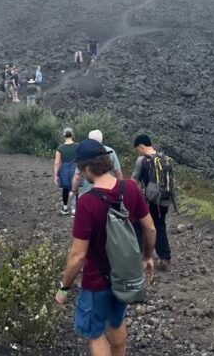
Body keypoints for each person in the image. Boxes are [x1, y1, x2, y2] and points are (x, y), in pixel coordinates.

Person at [55, 139, 155, 356]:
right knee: (117, 322)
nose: (81, 173)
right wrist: (147, 257)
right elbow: (150, 229)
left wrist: (64, 287)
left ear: (89, 167)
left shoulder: (87, 203)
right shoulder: (130, 188)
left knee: (96, 333)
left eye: (81, 168)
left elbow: (78, 255)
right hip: (124, 275)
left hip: (96, 281)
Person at [132, 134, 174, 271]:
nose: (138, 152)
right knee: (160, 225)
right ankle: (165, 258)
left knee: (141, 225)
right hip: (164, 199)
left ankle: (141, 257)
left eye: (137, 149)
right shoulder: (164, 158)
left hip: (149, 200)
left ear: (141, 146)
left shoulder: (141, 160)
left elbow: (134, 181)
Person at [71, 130, 122, 208]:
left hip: (89, 192)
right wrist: (121, 188)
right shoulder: (110, 151)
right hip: (110, 191)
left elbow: (77, 177)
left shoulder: (84, 155)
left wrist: (73, 190)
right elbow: (118, 172)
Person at [53, 128, 78, 215]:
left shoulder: (60, 148)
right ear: (72, 135)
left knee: (65, 189)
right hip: (75, 168)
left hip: (64, 170)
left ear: (64, 135)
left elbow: (57, 163)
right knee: (75, 188)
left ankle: (65, 208)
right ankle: (75, 210)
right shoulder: (78, 146)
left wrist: (56, 175)